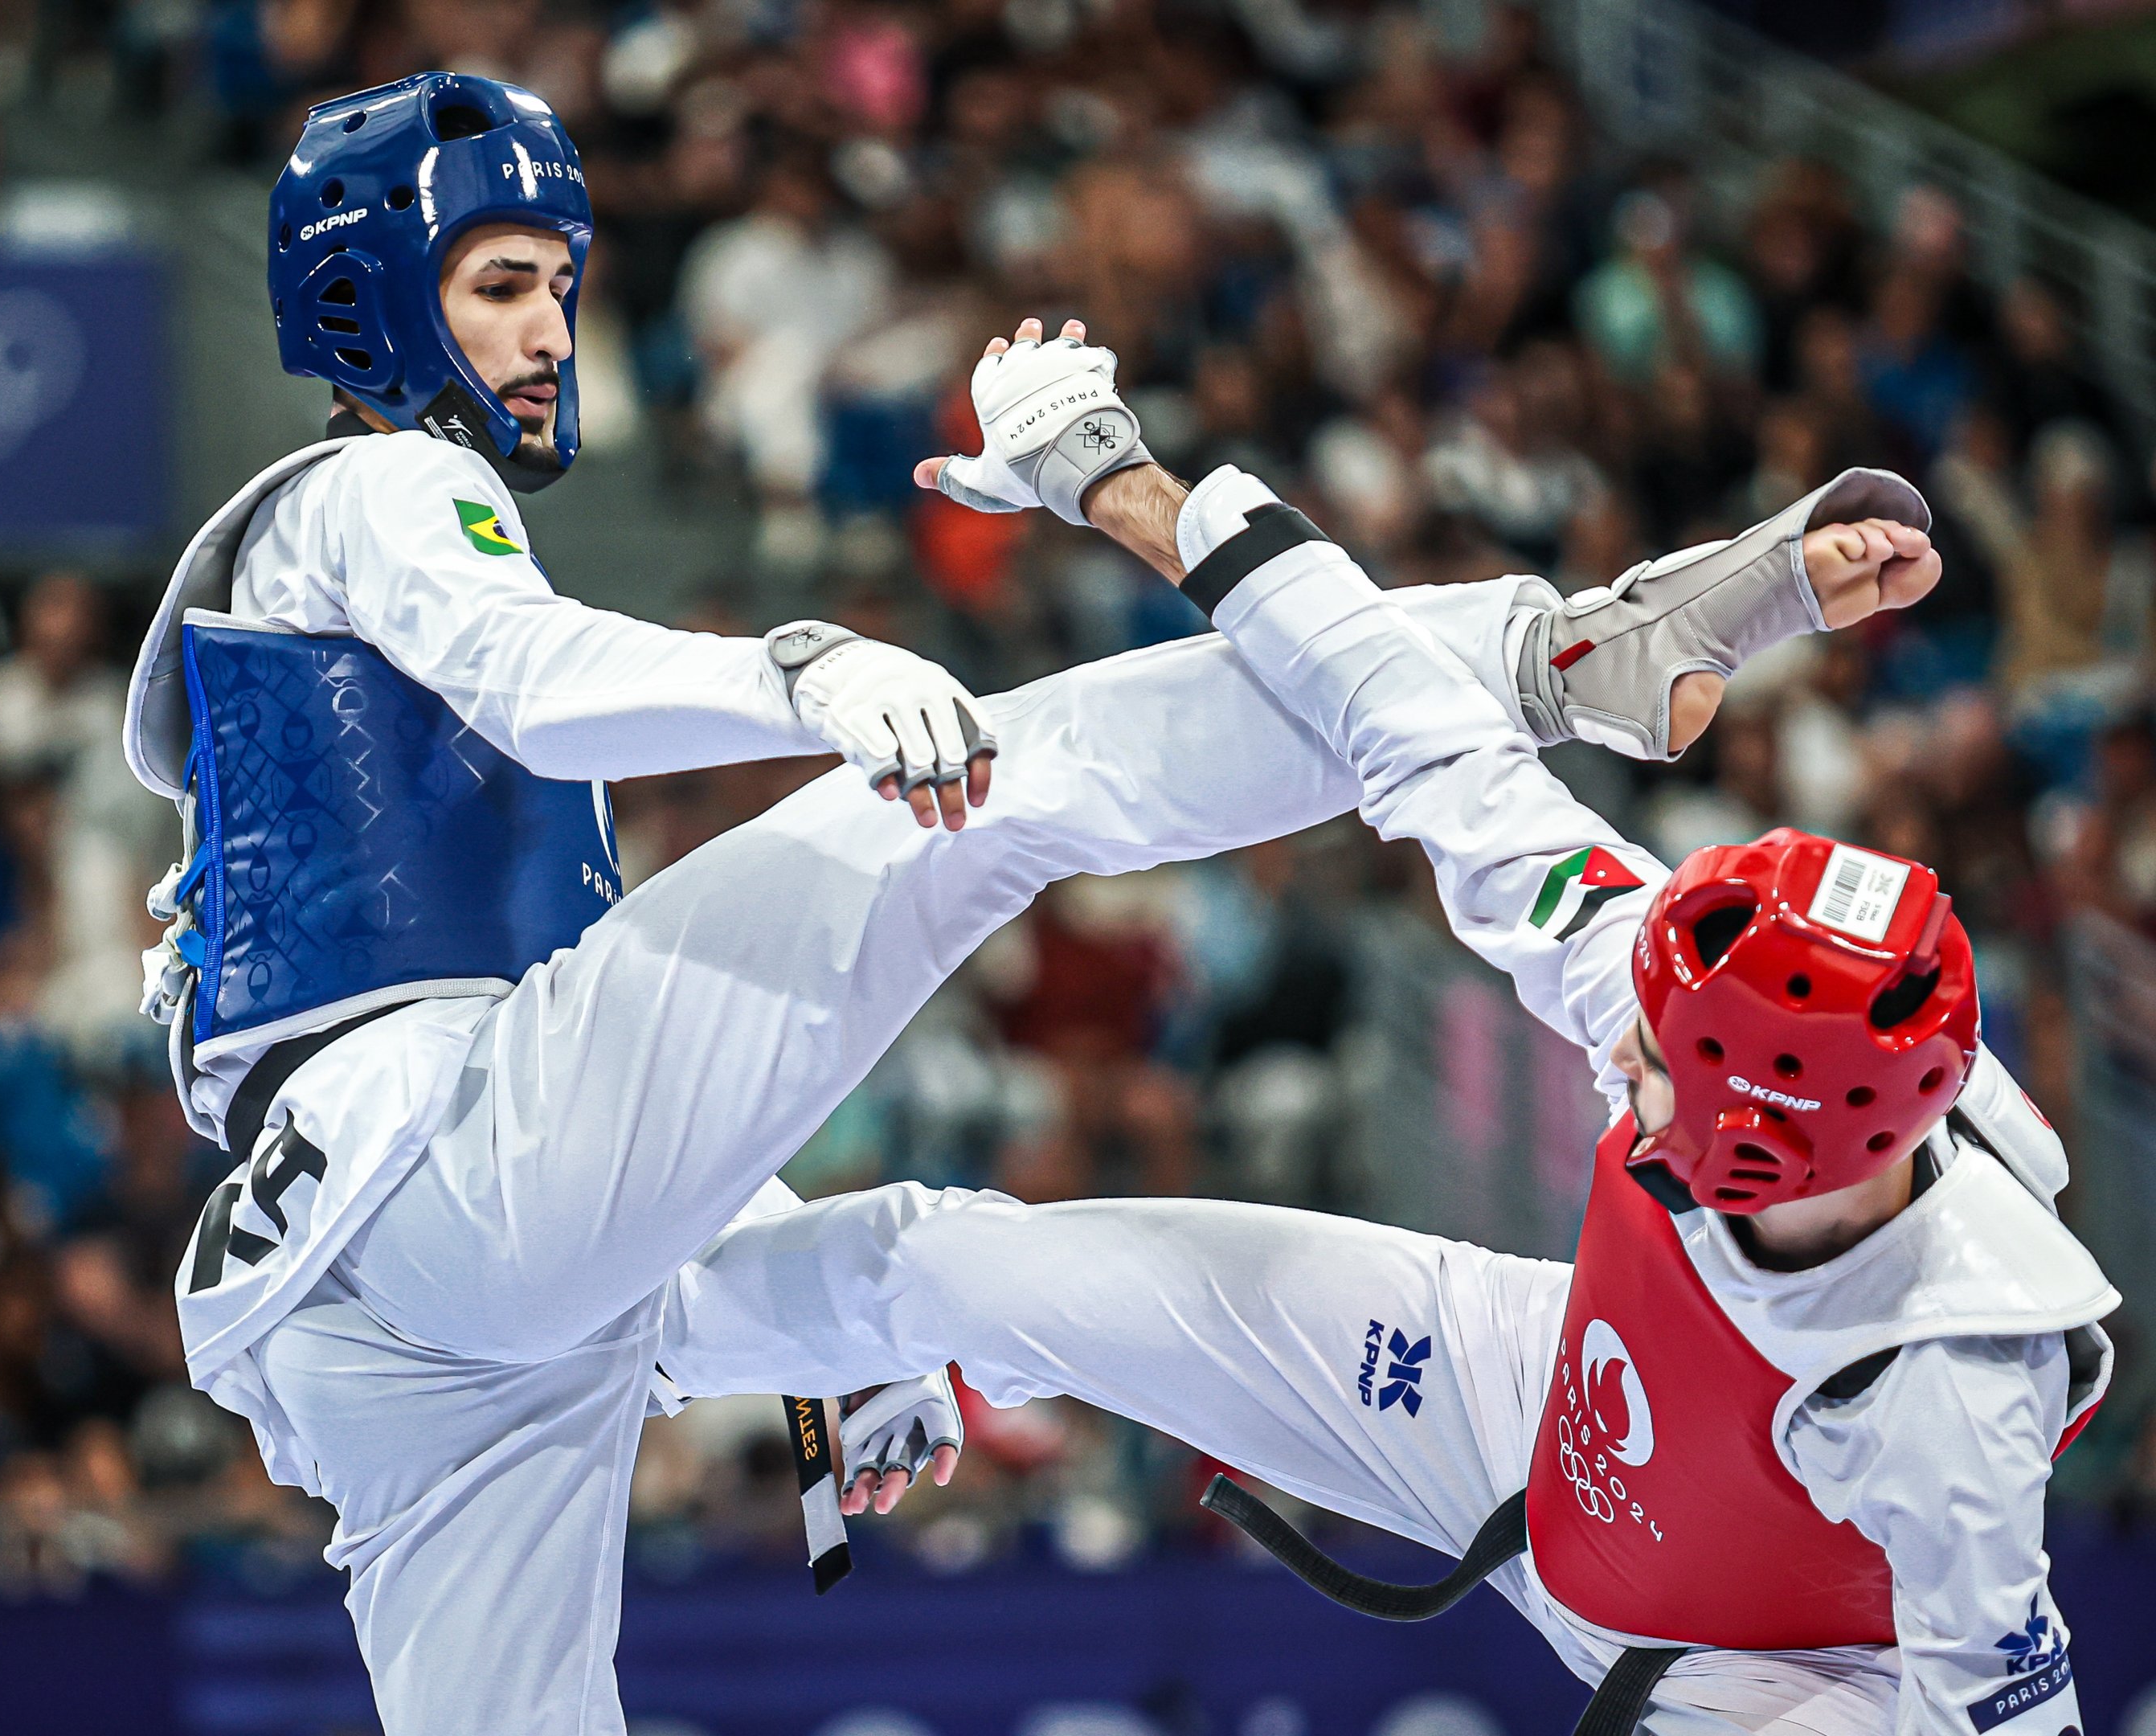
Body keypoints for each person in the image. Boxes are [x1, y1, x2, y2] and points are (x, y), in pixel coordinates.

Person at [138, 74, 1948, 1733]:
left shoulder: (335, 673)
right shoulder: (381, 484)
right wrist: (800, 668)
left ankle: (1556, 660)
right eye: (504, 285)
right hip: (445, 1181)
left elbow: (584, 1069)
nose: (550, 334)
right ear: (374, 295)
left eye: (560, 286)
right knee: (980, 791)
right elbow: (527, 679)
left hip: (393, 1315)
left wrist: (840, 1338)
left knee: (925, 1265)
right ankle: (1547, 653)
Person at [657, 326, 2113, 1735]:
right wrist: (1107, 473)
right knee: (960, 1267)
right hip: (1528, 1394)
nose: (1616, 1051)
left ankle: (1589, 640)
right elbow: (1416, 730)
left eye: (1656, 1066)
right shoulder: (1699, 991)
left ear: (1771, 1124)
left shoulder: (1952, 1393)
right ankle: (591, 1331)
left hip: (1768, 1677)